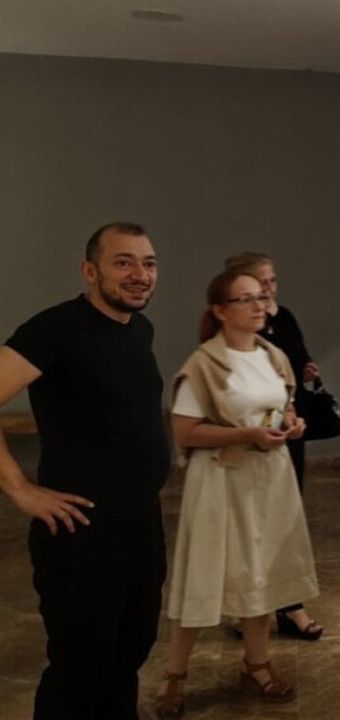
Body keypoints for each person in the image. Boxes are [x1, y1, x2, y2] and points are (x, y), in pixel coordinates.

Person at [0, 222, 169, 719]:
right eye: (124, 262)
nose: (140, 274)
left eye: (149, 263)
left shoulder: (139, 330)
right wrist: (20, 489)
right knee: (81, 670)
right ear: (89, 271)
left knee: (129, 654)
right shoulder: (54, 330)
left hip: (140, 526)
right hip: (80, 534)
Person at [154, 270, 319, 717]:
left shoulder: (272, 355)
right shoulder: (203, 365)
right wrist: (247, 434)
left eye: (261, 297)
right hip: (221, 482)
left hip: (269, 481)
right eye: (245, 299)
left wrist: (292, 424)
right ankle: (174, 676)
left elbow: (284, 406)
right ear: (221, 311)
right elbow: (185, 432)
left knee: (260, 572)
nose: (258, 306)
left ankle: (257, 663)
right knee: (203, 574)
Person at [224, 251, 324, 640]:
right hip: (247, 440)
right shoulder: (228, 334)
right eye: (259, 282)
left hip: (284, 435)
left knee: (285, 522)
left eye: (272, 281)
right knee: (251, 527)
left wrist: (304, 377)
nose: (268, 290)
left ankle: (290, 606)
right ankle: (248, 608)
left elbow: (292, 368)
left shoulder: (285, 319)